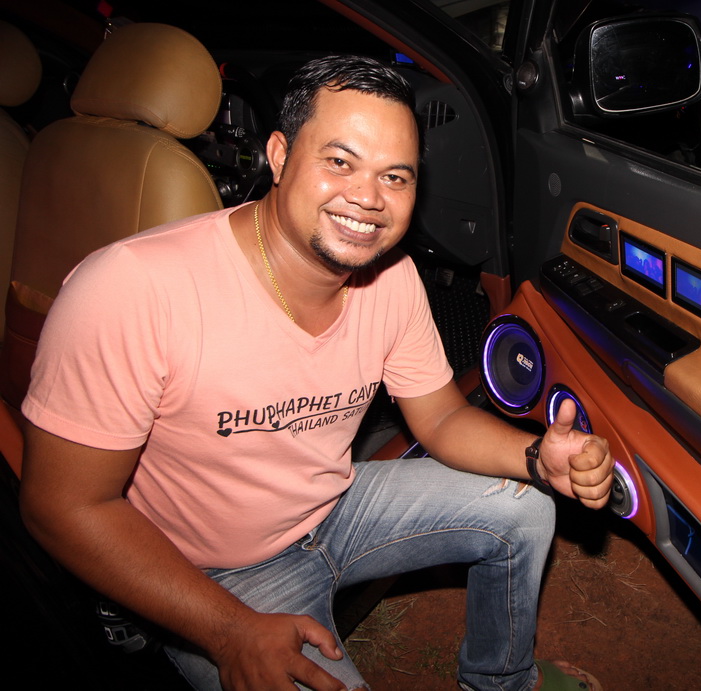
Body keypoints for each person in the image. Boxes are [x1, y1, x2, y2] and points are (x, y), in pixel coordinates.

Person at [19, 55, 614, 691]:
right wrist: (227, 631)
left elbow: (441, 416)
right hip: (212, 574)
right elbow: (64, 505)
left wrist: (536, 458)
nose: (369, 198)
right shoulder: (132, 288)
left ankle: (503, 681)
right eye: (339, 161)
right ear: (279, 156)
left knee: (526, 509)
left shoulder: (393, 277)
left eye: (395, 176)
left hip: (335, 506)